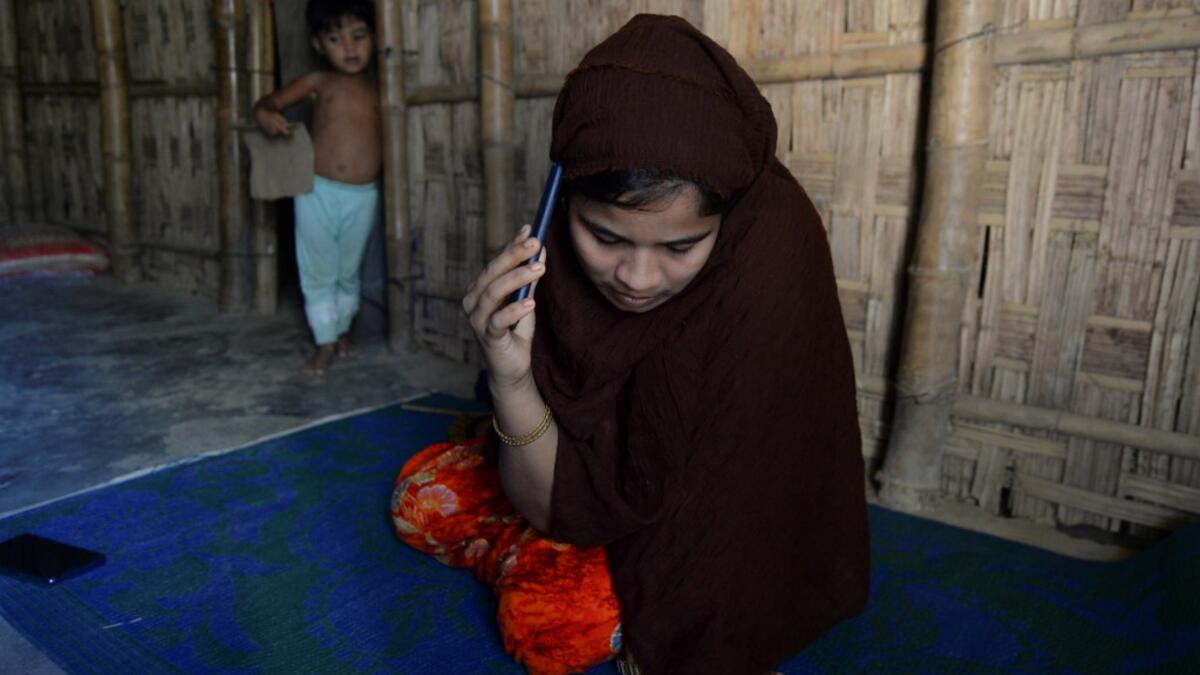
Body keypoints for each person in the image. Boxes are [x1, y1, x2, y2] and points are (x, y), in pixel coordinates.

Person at [391, 14, 869, 675]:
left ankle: (527, 554)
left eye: (680, 245)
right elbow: (553, 491)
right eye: (606, 238)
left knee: (552, 624)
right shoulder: (551, 247)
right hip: (572, 494)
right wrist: (509, 377)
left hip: (702, 516)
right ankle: (522, 544)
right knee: (418, 498)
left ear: (723, 222)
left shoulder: (768, 260)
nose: (637, 280)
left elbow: (732, 505)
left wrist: (683, 630)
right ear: (566, 200)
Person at [252, 0, 381, 374]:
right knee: (319, 269)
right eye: (336, 39)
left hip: (363, 196)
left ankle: (340, 332)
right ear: (318, 45)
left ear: (374, 38)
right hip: (316, 192)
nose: (350, 48)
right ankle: (325, 342)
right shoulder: (318, 83)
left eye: (359, 36)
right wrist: (265, 114)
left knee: (347, 271)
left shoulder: (382, 89)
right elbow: (268, 101)